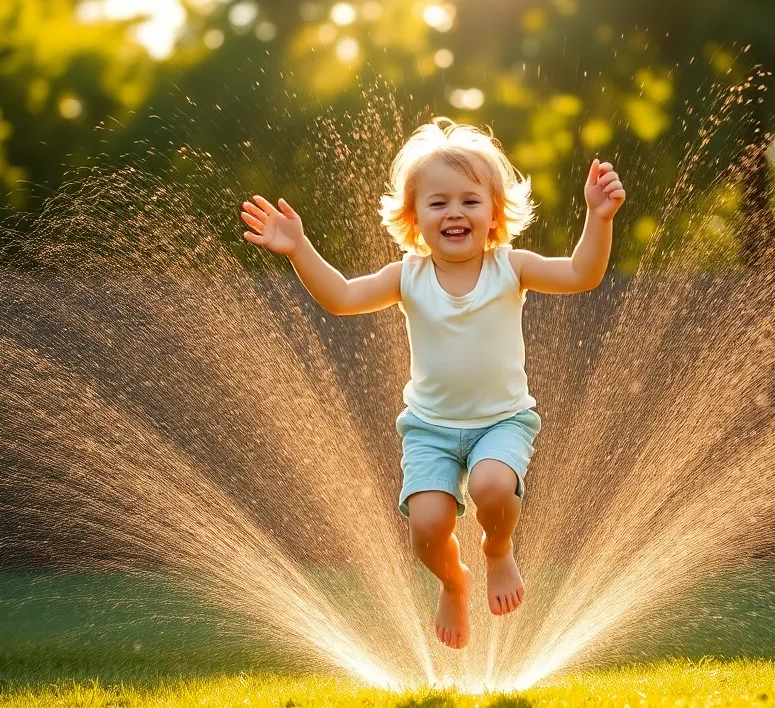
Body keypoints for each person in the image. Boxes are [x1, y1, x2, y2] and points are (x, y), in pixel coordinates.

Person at [239, 118, 626, 649]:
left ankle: (496, 551)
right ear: (414, 217)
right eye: (438, 202)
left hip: (502, 420)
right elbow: (343, 298)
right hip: (429, 430)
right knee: (426, 527)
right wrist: (300, 248)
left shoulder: (510, 267)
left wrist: (598, 217)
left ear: (494, 212)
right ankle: (452, 581)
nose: (454, 213)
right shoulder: (407, 276)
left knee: (493, 485)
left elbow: (583, 273)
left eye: (470, 200)